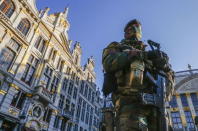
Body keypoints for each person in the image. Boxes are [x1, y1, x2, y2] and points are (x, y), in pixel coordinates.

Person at [102, 19, 174, 131]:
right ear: (125, 33)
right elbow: (108, 63)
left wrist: (165, 66)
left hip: (157, 109)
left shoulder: (152, 54)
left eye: (136, 27)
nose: (133, 30)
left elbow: (168, 85)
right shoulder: (117, 47)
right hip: (130, 106)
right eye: (130, 28)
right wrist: (142, 55)